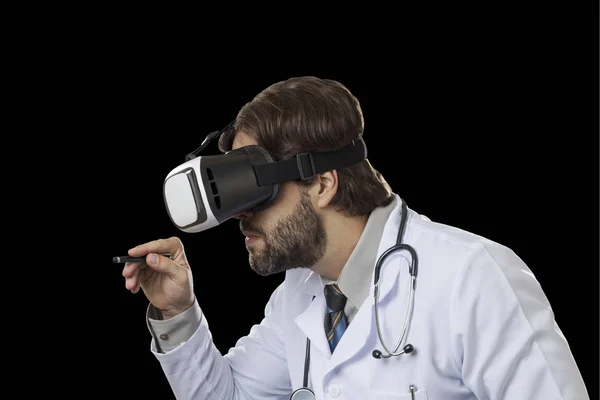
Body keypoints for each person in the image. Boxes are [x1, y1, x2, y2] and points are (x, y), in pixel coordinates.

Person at [122, 76, 589, 399]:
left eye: (255, 190)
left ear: (323, 183)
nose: (240, 216)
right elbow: (232, 395)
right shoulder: (301, 296)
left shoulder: (472, 277)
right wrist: (177, 311)